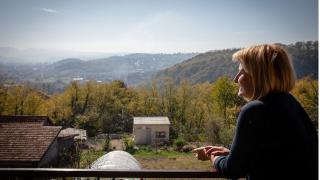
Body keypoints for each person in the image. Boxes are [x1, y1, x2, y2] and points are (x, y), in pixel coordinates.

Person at [192, 44, 318, 179]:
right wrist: (234, 154)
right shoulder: (290, 102)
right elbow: (277, 157)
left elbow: (232, 170)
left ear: (257, 76)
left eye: (241, 72)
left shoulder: (254, 110)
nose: (235, 79)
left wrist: (212, 156)